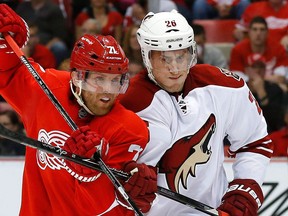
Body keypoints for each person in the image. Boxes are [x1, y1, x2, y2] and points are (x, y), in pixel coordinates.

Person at [0, 4, 157, 215]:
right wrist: (5, 44)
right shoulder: (47, 89)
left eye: (115, 81)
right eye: (99, 79)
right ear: (77, 77)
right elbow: (8, 72)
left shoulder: (129, 128)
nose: (108, 91)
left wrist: (91, 173)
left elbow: (98, 208)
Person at [119, 10, 274, 216]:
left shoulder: (223, 86)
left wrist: (244, 193)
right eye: (164, 59)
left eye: (181, 56)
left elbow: (255, 141)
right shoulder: (129, 102)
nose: (174, 68)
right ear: (147, 56)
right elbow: (110, 170)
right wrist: (126, 191)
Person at [229, 16, 288, 90]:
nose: (258, 33)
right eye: (255, 29)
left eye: (262, 30)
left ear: (267, 33)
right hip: (246, 88)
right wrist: (262, 80)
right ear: (249, 32)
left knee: (283, 88)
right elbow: (236, 77)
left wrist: (260, 81)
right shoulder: (237, 49)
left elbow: (280, 78)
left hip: (271, 88)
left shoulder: (278, 49)